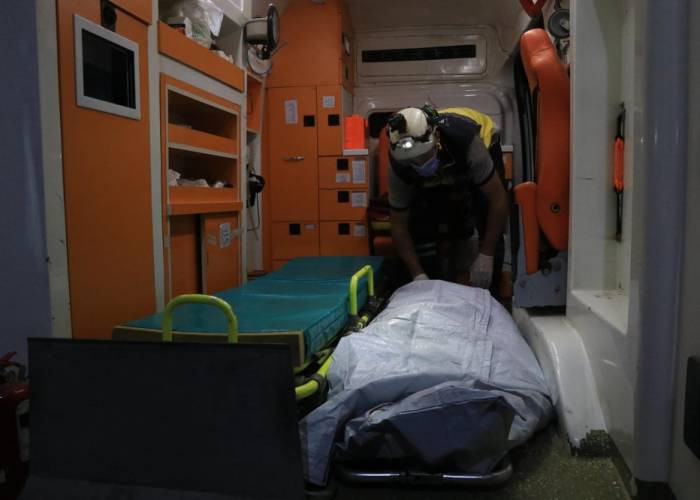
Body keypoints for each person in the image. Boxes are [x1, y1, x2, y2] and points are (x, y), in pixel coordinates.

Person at [387, 105, 508, 293]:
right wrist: (417, 275)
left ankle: (491, 291)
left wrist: (487, 255)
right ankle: (431, 286)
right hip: (445, 162)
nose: (419, 165)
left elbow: (498, 199)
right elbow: (399, 225)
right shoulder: (399, 162)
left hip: (479, 145)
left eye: (424, 156)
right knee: (422, 220)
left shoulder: (466, 141)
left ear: (436, 137)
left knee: (484, 211)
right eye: (412, 161)